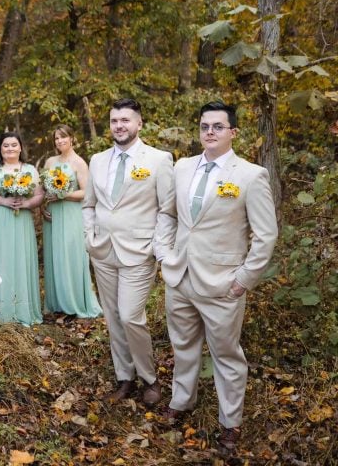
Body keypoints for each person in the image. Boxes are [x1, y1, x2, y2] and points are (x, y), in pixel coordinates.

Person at [160, 101, 277, 454]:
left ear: (233, 132)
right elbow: (167, 215)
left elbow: (266, 235)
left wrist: (243, 279)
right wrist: (164, 254)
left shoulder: (250, 175)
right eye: (203, 126)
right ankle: (181, 402)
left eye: (217, 126)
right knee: (182, 347)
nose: (209, 132)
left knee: (226, 355)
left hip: (223, 282)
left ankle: (230, 422)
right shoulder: (181, 168)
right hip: (180, 277)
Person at [82, 98, 176, 407]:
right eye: (114, 121)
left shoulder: (159, 159)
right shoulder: (97, 160)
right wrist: (89, 236)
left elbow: (167, 210)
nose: (119, 126)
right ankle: (125, 377)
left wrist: (157, 245)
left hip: (139, 251)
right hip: (103, 250)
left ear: (139, 124)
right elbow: (89, 204)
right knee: (112, 316)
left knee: (131, 315)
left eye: (125, 120)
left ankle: (150, 377)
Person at [0, 132, 44, 326]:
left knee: (17, 259)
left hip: (20, 220)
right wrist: (3, 201)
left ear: (20, 147)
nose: (9, 148)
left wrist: (27, 204)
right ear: (0, 148)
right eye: (5, 145)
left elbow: (39, 195)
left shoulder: (30, 169)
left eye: (13, 145)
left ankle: (19, 306)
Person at [41, 125, 102, 318]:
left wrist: (63, 195)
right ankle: (57, 303)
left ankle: (74, 303)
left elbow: (85, 192)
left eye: (63, 137)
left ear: (72, 139)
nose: (59, 141)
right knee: (55, 256)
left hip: (70, 214)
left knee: (71, 256)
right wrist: (43, 206)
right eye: (56, 138)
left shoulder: (79, 163)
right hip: (52, 214)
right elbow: (43, 190)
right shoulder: (50, 162)